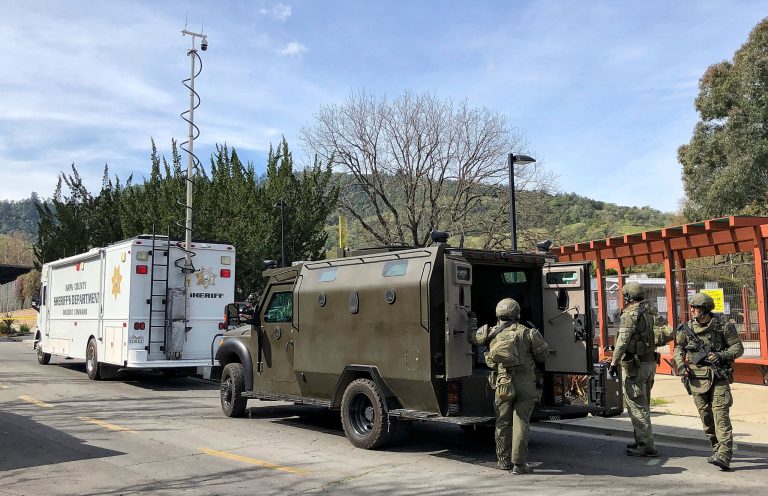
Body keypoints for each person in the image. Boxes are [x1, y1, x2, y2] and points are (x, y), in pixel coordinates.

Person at [674, 291, 743, 470]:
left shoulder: (723, 326)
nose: (693, 310)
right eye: (692, 307)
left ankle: (725, 454)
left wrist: (720, 355)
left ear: (705, 309)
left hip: (718, 377)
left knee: (721, 416)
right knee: (706, 419)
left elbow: (738, 347)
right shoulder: (686, 329)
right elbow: (678, 349)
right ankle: (717, 448)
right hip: (697, 379)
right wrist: (682, 367)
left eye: (697, 307)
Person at [480, 298, 548, 474]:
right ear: (516, 313)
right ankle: (519, 464)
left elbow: (473, 339)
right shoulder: (528, 333)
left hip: (503, 382)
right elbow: (543, 357)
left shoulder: (491, 333)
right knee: (521, 422)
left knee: (502, 422)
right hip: (525, 382)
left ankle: (503, 461)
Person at [609, 281, 658, 457]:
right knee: (644, 404)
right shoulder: (650, 312)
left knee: (637, 406)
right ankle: (641, 441)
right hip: (650, 364)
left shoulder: (630, 314)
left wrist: (614, 362)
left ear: (628, 296)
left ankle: (646, 446)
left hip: (636, 366)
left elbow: (622, 340)